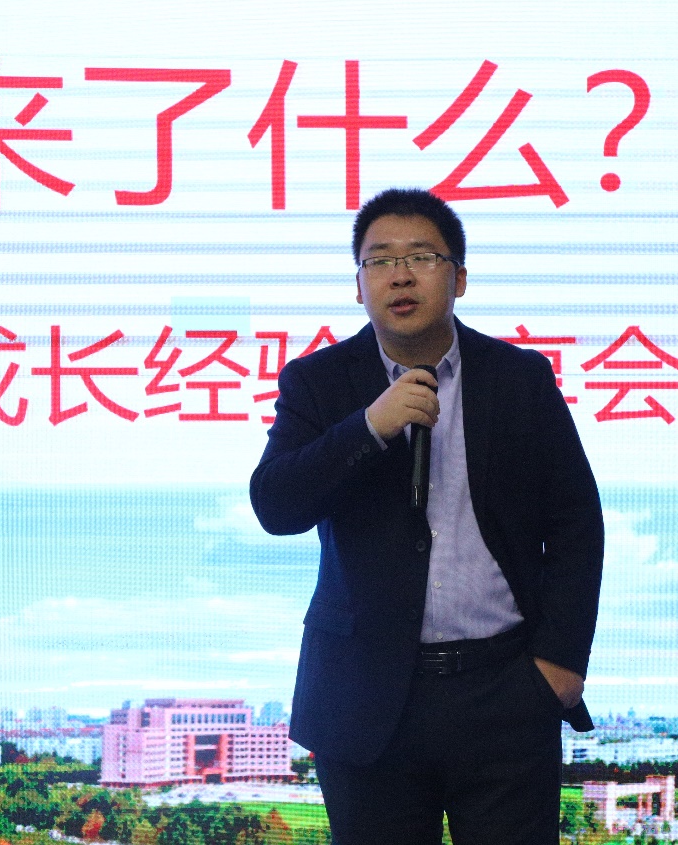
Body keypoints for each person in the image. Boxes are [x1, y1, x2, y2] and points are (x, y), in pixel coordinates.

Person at [250, 188, 604, 844]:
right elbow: (276, 505)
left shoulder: (519, 378)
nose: (400, 275)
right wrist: (368, 426)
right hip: (365, 696)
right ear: (358, 286)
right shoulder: (318, 382)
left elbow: (576, 522)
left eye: (421, 257)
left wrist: (558, 664)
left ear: (459, 277)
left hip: (504, 688)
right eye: (379, 260)